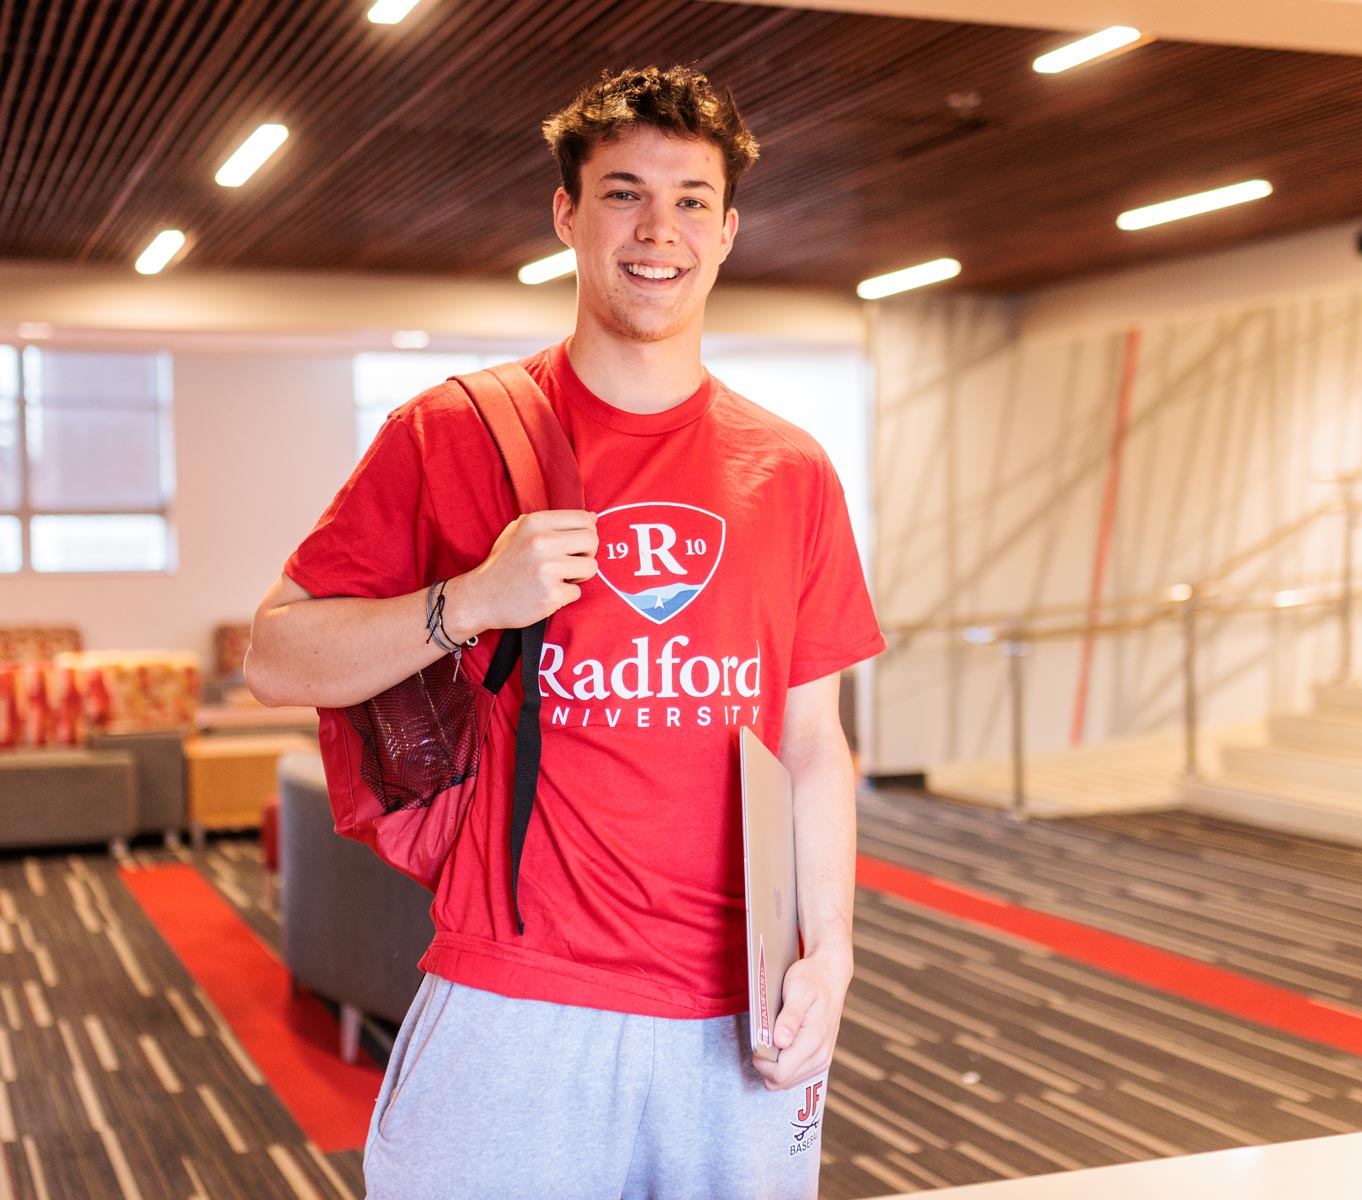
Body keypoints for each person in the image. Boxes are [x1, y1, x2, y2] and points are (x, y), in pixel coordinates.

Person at [245, 65, 884, 1200]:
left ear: (729, 230)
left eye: (692, 199)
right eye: (624, 192)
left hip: (737, 1006)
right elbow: (274, 656)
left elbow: (813, 738)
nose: (659, 230)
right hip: (517, 999)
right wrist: (470, 603)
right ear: (567, 215)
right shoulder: (451, 433)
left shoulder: (790, 470)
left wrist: (828, 949)